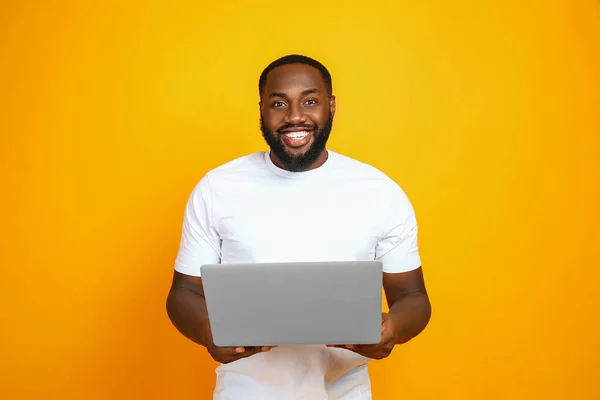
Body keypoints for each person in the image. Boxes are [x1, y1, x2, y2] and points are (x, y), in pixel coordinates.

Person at [166, 54, 432, 399]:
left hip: (344, 390)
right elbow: (183, 293)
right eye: (279, 103)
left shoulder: (379, 191)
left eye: (310, 101)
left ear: (331, 106)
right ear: (261, 109)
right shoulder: (217, 188)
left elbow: (413, 296)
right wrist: (206, 330)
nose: (294, 116)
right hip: (244, 391)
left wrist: (393, 327)